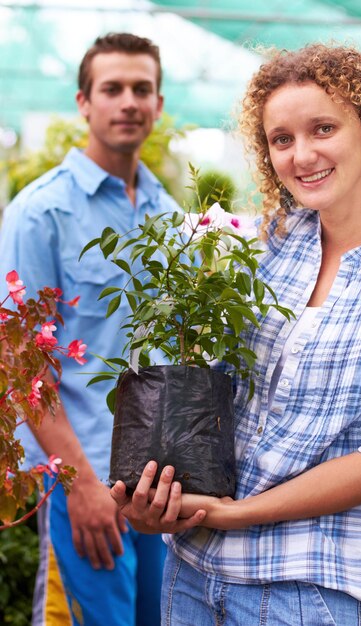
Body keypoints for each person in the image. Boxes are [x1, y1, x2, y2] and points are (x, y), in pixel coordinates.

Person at [111, 44, 361, 625]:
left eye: (323, 129)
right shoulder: (267, 244)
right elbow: (215, 397)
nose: (301, 155)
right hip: (192, 572)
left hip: (308, 590)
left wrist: (238, 514)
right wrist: (159, 496)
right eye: (281, 139)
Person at [0, 33, 180, 626]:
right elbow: (24, 365)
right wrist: (78, 485)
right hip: (85, 483)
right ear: (84, 102)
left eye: (141, 89)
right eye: (113, 89)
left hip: (158, 487)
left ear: (157, 105)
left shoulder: (167, 216)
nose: (128, 101)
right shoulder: (40, 213)